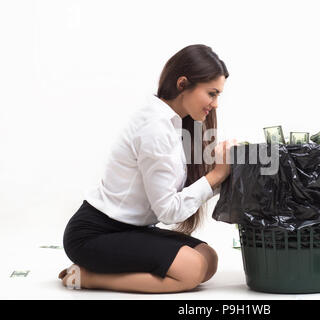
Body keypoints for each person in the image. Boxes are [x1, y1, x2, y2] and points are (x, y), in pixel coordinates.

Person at [58, 44, 237, 293]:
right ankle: (85, 277)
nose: (215, 104)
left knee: (207, 259)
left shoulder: (176, 124)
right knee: (191, 270)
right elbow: (168, 211)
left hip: (131, 230)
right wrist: (216, 175)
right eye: (211, 93)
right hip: (94, 234)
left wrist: (228, 172)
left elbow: (184, 194)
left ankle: (103, 270)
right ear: (183, 84)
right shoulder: (155, 127)